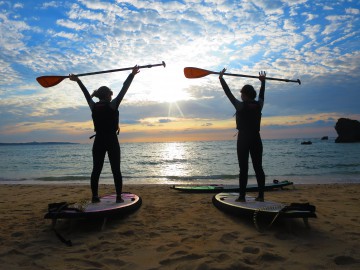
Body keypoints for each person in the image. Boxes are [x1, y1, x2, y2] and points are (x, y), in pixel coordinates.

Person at [69, 65, 140, 203]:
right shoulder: (112, 105)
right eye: (110, 94)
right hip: (111, 140)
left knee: (96, 169)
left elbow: (85, 93)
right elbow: (124, 90)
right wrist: (132, 75)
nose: (112, 96)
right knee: (116, 170)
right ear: (107, 95)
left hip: (99, 141)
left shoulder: (94, 106)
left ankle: (95, 196)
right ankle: (118, 197)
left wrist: (78, 81)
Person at [219, 68, 266, 202]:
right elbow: (262, 96)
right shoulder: (259, 105)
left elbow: (228, 94)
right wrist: (263, 82)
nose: (240, 95)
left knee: (243, 168)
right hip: (256, 138)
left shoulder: (240, 106)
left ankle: (242, 196)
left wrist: (221, 79)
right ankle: (261, 196)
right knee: (258, 167)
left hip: (244, 139)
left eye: (241, 93)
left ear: (245, 94)